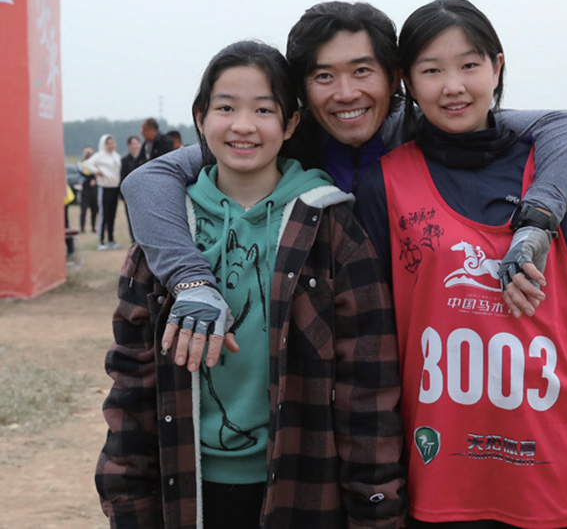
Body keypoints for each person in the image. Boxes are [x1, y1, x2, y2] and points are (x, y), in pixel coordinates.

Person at [120, 1, 567, 372]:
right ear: (300, 91)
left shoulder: (430, 130)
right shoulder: (281, 145)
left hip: (431, 370)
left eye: (362, 71)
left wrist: (537, 218)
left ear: (395, 78)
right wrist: (192, 281)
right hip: (322, 372)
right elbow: (149, 178)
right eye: (324, 76)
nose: (346, 93)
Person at [355, 0, 567, 528]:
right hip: (437, 464)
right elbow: (373, 337)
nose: (453, 86)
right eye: (431, 70)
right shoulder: (383, 183)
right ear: (407, 82)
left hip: (547, 457)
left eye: (469, 65)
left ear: (497, 67)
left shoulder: (551, 174)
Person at [95, 40, 407, 528]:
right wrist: (127, 502)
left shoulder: (330, 227)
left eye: (263, 109)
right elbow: (131, 386)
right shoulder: (167, 234)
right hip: (187, 486)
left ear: (291, 123)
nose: (243, 125)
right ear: (200, 119)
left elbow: (367, 390)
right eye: (226, 108)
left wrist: (376, 509)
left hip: (304, 485)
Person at [82, 134, 121, 250]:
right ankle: (101, 240)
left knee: (112, 215)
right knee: (104, 214)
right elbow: (87, 164)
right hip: (104, 187)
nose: (111, 145)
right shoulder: (99, 156)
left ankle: (111, 239)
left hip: (115, 187)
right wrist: (96, 171)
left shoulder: (116, 156)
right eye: (108, 143)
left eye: (112, 143)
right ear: (104, 144)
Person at [120, 135, 142, 241]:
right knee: (131, 219)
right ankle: (134, 240)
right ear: (129, 146)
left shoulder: (145, 159)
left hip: (143, 193)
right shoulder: (124, 161)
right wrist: (123, 196)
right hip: (130, 195)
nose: (134, 146)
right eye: (132, 144)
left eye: (136, 143)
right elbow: (122, 178)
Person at [77, 146, 98, 233]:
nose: (88, 154)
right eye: (87, 152)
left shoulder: (96, 163)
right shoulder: (81, 163)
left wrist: (94, 178)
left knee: (94, 209)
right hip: (85, 188)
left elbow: (98, 172)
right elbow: (83, 172)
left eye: (90, 152)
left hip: (94, 189)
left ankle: (93, 227)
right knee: (83, 209)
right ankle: (82, 227)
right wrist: (92, 176)